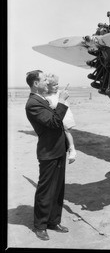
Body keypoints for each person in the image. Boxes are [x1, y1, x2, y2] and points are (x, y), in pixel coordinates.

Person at [25, 70, 70, 241]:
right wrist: (63, 102)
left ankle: (53, 221)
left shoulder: (42, 100)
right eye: (44, 80)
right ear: (36, 83)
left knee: (58, 189)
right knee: (45, 190)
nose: (47, 82)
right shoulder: (32, 104)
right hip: (48, 152)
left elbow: (53, 119)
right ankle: (40, 226)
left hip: (58, 149)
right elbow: (53, 122)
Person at [45, 73, 77, 164]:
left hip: (65, 114)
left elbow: (63, 103)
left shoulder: (60, 93)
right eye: (53, 85)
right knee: (61, 133)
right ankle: (68, 150)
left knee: (67, 130)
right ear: (48, 87)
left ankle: (72, 149)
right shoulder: (47, 96)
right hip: (57, 115)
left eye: (57, 84)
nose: (56, 86)